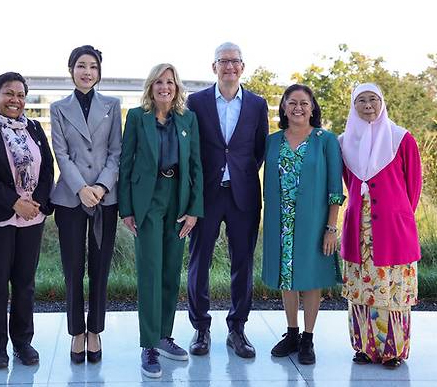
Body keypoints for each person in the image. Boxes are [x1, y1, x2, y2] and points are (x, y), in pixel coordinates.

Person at [118, 63, 203, 378]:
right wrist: (126, 208)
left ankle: (165, 336)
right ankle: (149, 344)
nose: (165, 87)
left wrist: (195, 209)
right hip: (148, 201)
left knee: (170, 272)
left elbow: (195, 166)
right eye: (159, 82)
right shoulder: (137, 118)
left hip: (178, 199)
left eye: (170, 82)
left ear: (177, 87)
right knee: (150, 272)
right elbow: (126, 163)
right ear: (151, 87)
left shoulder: (187, 119)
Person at [0, 72, 54, 369]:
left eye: (20, 94)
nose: (15, 100)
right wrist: (15, 202)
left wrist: (36, 204)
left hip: (32, 217)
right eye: (8, 93)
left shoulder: (35, 128)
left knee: (25, 283)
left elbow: (47, 168)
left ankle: (23, 342)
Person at [186, 42, 268, 358]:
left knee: (242, 263)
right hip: (206, 195)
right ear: (214, 67)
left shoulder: (257, 105)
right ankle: (201, 328)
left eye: (235, 61)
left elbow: (259, 149)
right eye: (224, 61)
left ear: (242, 67)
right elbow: (191, 149)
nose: (230, 67)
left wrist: (240, 174)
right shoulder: (197, 102)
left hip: (243, 195)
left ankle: (237, 329)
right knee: (199, 262)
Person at [339, 82, 422, 368]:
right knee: (361, 290)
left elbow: (414, 186)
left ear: (382, 102)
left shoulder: (402, 139)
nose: (368, 105)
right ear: (353, 106)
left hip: (393, 230)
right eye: (361, 100)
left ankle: (393, 351)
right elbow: (345, 185)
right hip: (358, 230)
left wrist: (398, 216)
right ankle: (364, 347)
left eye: (373, 99)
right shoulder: (344, 142)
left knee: (391, 290)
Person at [261, 84, 345, 364]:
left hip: (314, 221)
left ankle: (308, 338)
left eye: (304, 103)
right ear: (283, 107)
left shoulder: (326, 140)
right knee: (287, 276)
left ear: (312, 108)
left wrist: (331, 227)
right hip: (279, 220)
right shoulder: (272, 141)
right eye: (292, 102)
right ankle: (292, 333)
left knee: (310, 278)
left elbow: (335, 187)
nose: (298, 107)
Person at [50, 45, 121, 364]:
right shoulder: (58, 107)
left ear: (99, 71)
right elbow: (60, 153)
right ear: (71, 69)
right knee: (73, 268)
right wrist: (81, 188)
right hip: (70, 197)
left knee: (100, 268)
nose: (87, 71)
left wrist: (102, 185)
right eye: (81, 65)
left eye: (93, 66)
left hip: (106, 196)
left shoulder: (113, 104)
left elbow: (116, 152)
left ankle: (95, 331)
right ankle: (77, 332)